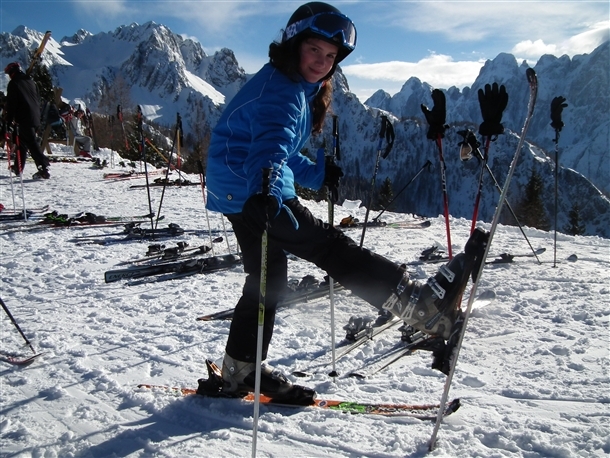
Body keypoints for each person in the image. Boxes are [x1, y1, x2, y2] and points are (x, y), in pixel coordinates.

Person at [203, 1, 489, 402]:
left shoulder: (293, 85)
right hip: (252, 190)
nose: (322, 62)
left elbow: (280, 150)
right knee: (329, 247)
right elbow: (268, 149)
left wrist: (316, 174)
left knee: (267, 277)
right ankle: (420, 307)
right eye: (314, 50)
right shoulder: (282, 92)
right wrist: (265, 190)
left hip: (238, 188)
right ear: (293, 45)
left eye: (330, 56)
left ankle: (239, 369)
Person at [3, 62, 50, 179]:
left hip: (24, 117)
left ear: (12, 72)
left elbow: (12, 104)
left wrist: (8, 122)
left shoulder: (14, 83)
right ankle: (18, 167)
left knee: (31, 143)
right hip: (35, 116)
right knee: (21, 142)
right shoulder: (30, 81)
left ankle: (43, 168)